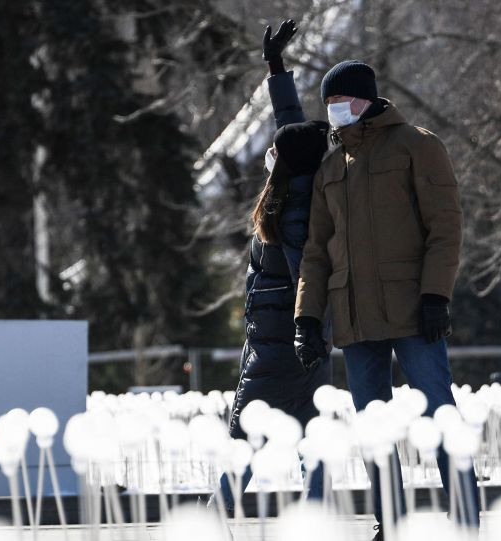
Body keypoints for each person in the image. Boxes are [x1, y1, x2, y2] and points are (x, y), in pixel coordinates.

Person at [292, 60, 481, 537]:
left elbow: (446, 225)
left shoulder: (418, 145)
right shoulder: (331, 166)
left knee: (439, 415)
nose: (332, 112)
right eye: (328, 104)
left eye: (339, 102)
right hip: (354, 316)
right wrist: (307, 319)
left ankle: (465, 521)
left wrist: (436, 294)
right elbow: (316, 250)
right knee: (373, 429)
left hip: (414, 311)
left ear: (364, 99)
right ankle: (389, 523)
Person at [211, 19, 333, 516]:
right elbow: (293, 128)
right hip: (294, 339)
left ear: (281, 160)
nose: (269, 150)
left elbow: (307, 271)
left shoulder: (293, 205)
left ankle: (214, 518)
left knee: (244, 439)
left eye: (275, 149)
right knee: (314, 440)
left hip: (281, 344)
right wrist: (276, 68)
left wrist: (304, 328)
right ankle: (318, 517)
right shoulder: (299, 186)